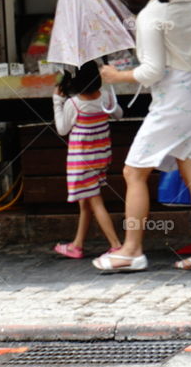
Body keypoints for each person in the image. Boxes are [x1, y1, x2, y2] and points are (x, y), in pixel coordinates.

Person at [97, 0, 191, 272]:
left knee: (133, 171)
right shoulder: (190, 4)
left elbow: (152, 71)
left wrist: (115, 75)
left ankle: (132, 250)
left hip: (172, 104)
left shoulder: (151, 15)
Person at [52, 61, 123, 259]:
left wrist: (57, 102)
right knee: (86, 202)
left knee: (95, 201)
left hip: (83, 160)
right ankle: (77, 245)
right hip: (101, 157)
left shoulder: (73, 104)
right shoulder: (106, 97)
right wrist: (111, 97)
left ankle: (116, 246)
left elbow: (62, 129)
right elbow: (119, 115)